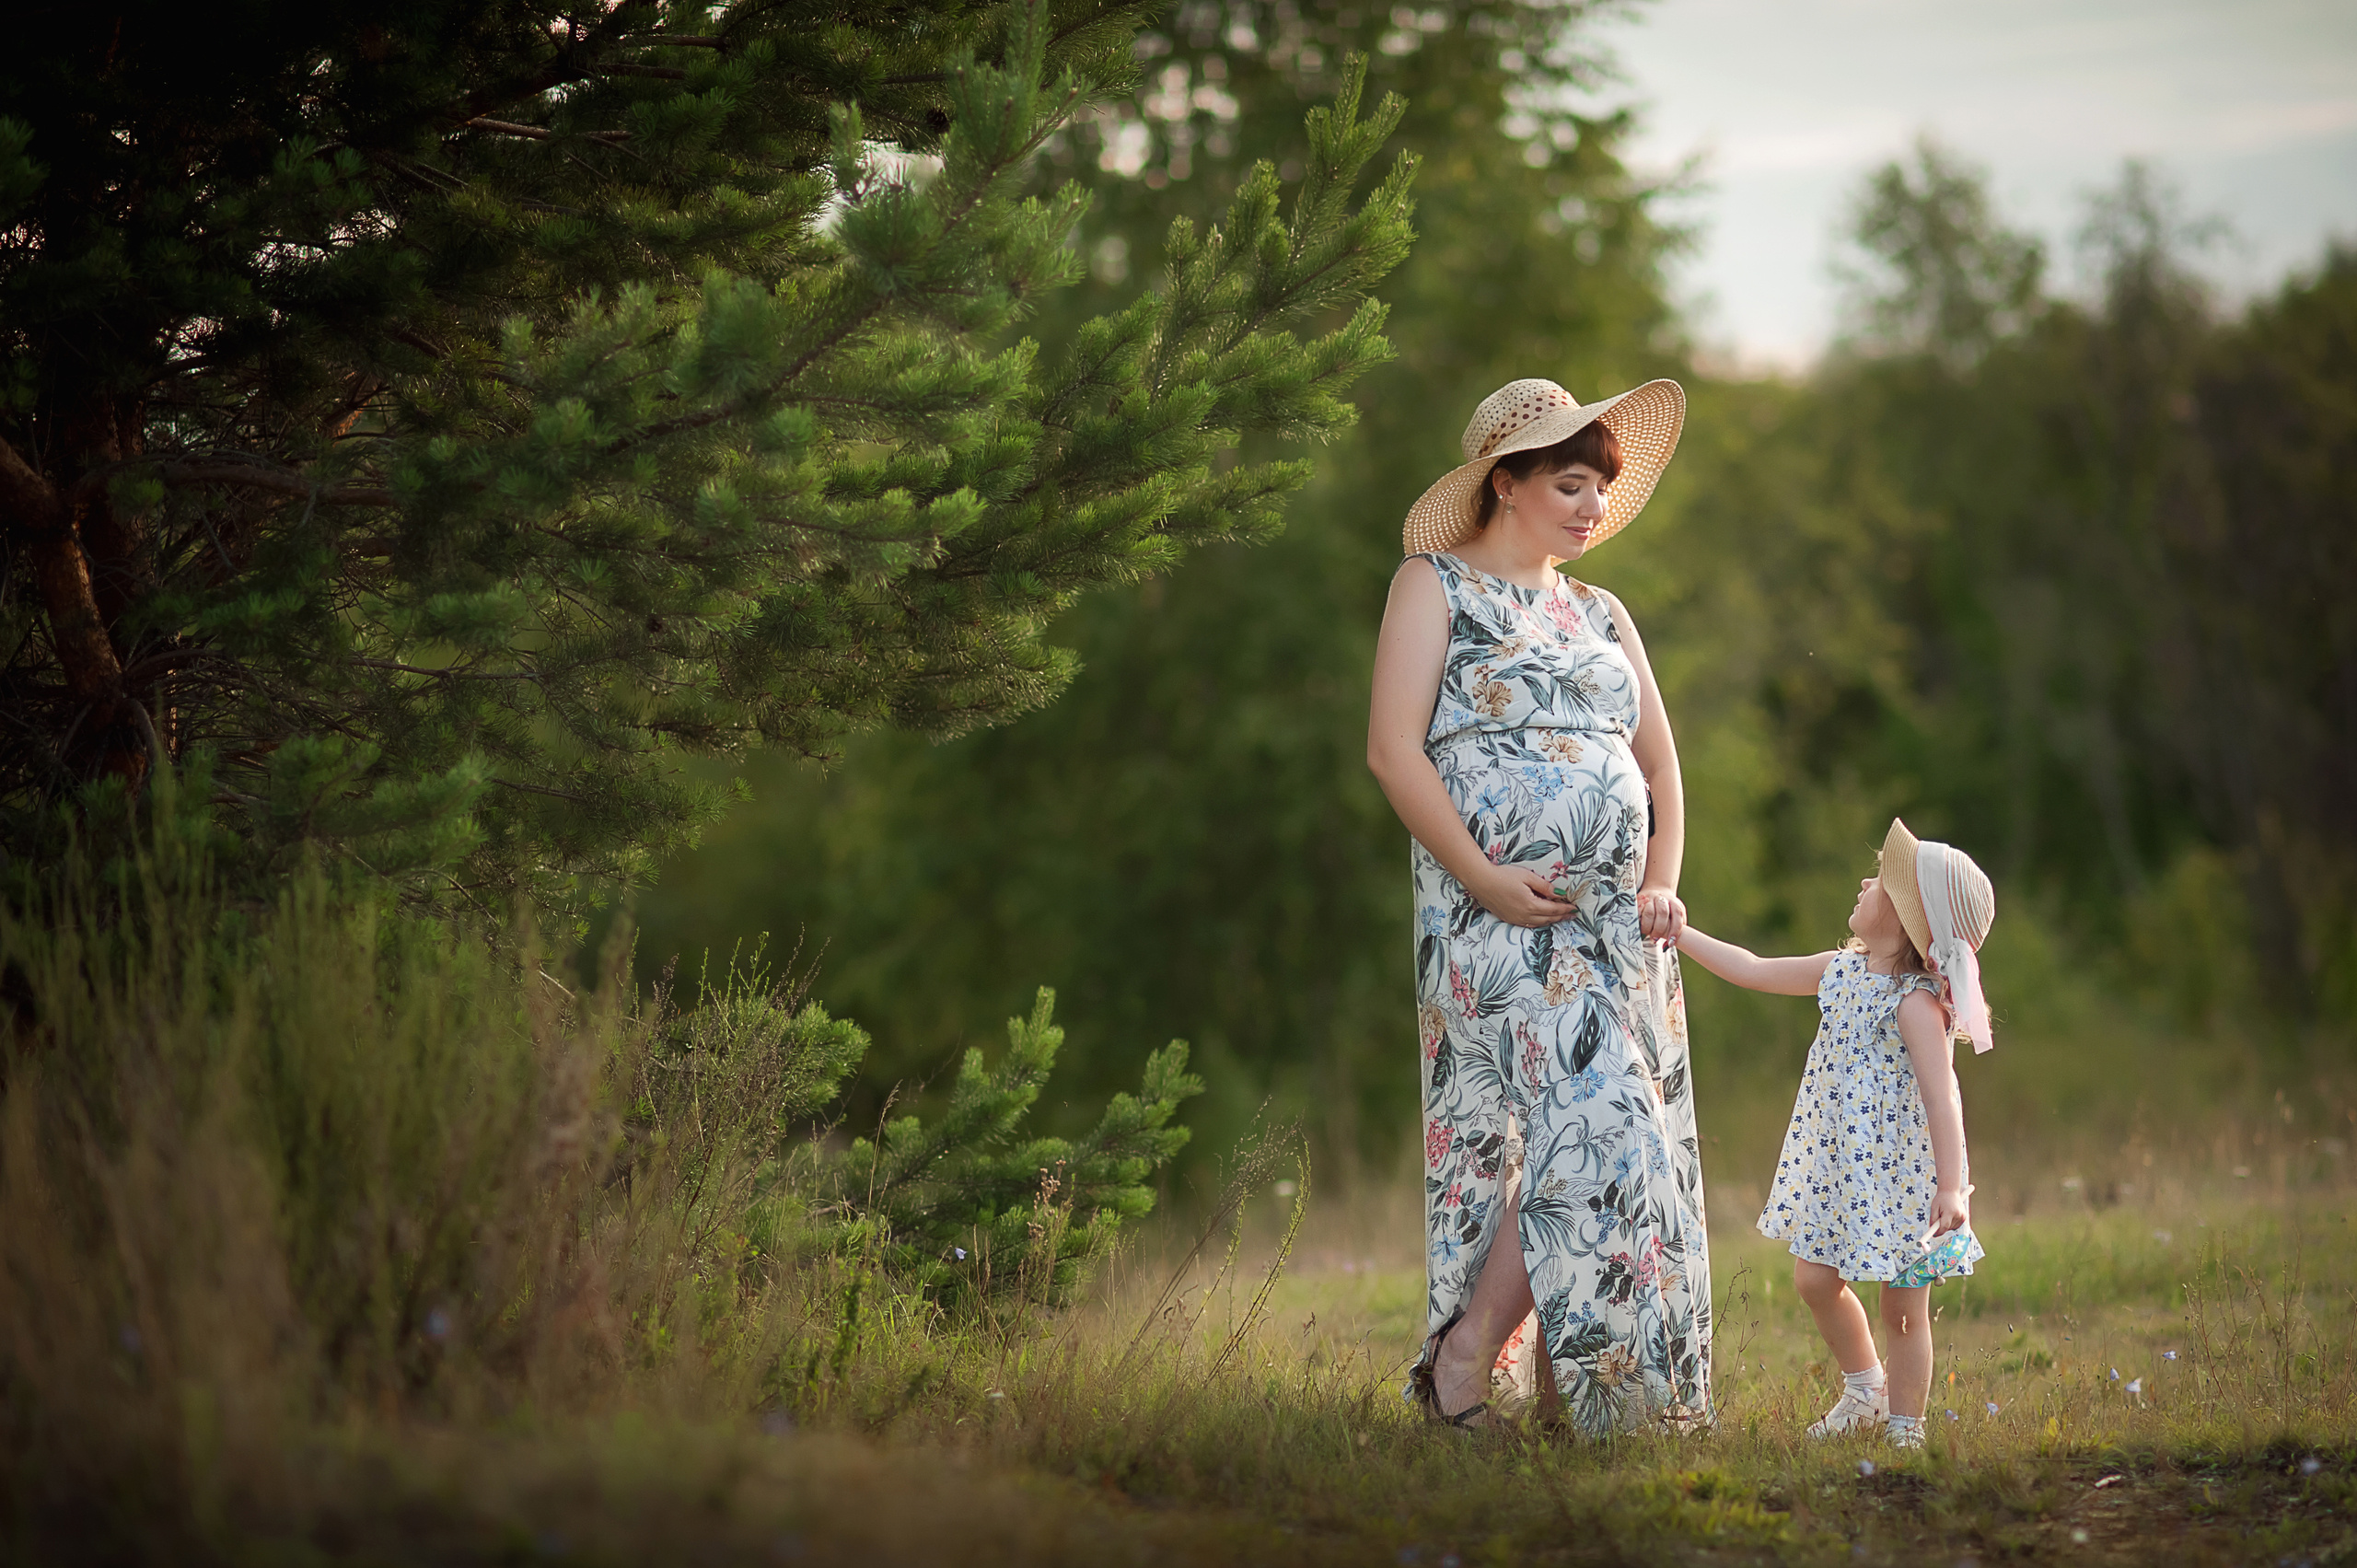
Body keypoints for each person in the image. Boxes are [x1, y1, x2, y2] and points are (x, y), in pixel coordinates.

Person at [1368, 377, 1710, 1434]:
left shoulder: (1602, 612)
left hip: (1615, 929)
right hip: (1495, 919)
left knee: (1608, 1136)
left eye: (1598, 492)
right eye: (1569, 485)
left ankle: (1582, 1391)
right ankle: (1464, 1357)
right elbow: (1391, 750)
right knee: (1579, 1130)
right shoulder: (1432, 586)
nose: (1591, 509)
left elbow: (1659, 765)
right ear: (1504, 484)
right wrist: (1479, 872)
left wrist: (1659, 877)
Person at [1676, 818, 1997, 1450]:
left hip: (1905, 1174)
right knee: (1814, 1279)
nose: (1864, 880)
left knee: (1902, 1308)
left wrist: (1953, 1187)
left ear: (1906, 918)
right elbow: (1753, 968)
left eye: (1881, 879)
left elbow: (1943, 1099)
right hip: (1841, 1165)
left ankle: (1906, 1426)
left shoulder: (1915, 1001)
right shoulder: (1841, 970)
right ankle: (1865, 1387)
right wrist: (1679, 934)